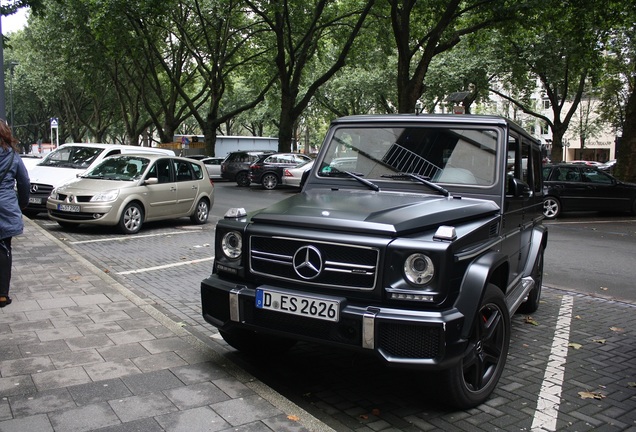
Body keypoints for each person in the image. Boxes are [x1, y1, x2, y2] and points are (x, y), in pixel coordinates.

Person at [0, 119, 30, 308]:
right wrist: (21, 204)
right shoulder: (12, 157)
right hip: (5, 206)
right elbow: (25, 182)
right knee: (3, 248)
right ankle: (2, 295)